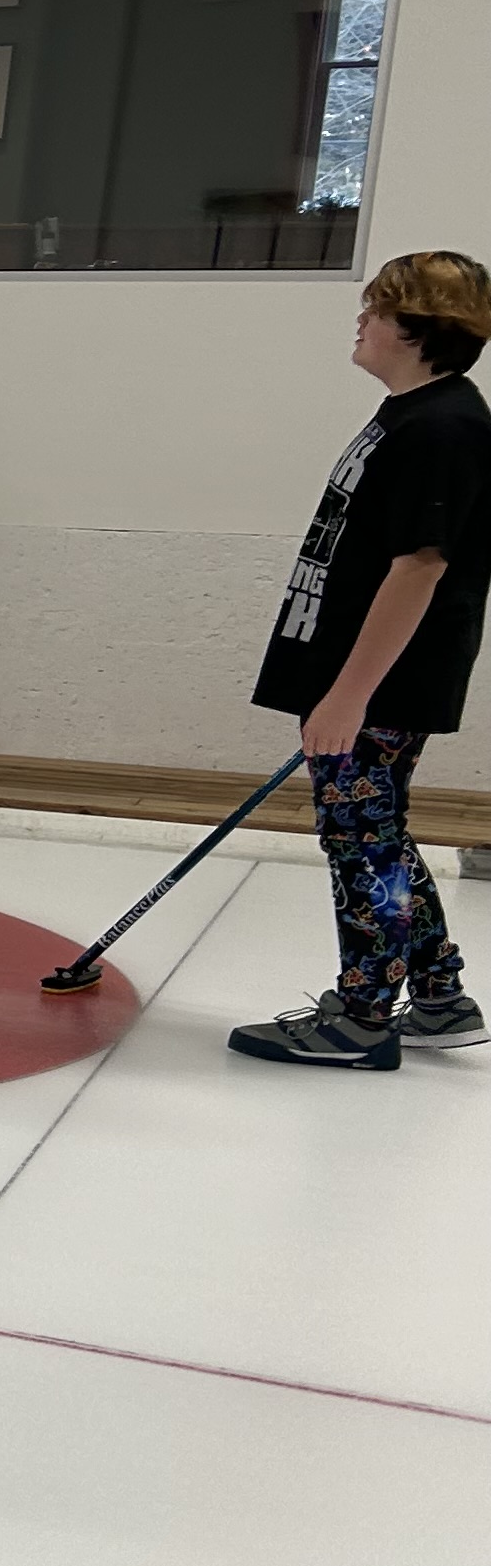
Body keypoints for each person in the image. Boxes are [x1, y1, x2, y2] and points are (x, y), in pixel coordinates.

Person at [230, 250, 491, 1068]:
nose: (362, 321)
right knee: (376, 829)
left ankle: (364, 1016)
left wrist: (349, 696)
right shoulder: (413, 413)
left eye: (376, 310)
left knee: (361, 839)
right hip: (361, 677)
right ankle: (439, 996)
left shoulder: (445, 425)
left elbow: (421, 568)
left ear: (416, 330)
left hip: (382, 682)